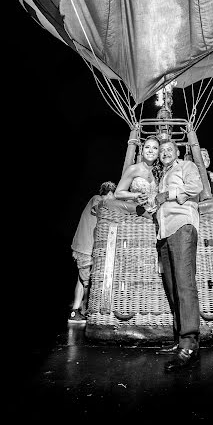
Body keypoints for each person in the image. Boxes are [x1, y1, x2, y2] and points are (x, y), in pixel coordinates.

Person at [154, 139, 203, 372]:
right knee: (173, 286)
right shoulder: (161, 176)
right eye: (161, 151)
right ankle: (179, 340)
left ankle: (190, 343)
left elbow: (197, 187)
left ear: (177, 152)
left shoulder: (186, 167)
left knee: (185, 284)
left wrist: (169, 194)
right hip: (164, 232)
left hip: (182, 225)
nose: (164, 153)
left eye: (168, 150)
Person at [68, 181, 117, 324]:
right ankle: (85, 310)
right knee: (86, 281)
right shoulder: (97, 199)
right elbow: (100, 208)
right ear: (109, 193)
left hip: (83, 247)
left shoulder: (97, 200)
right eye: (115, 195)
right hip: (84, 247)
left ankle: (75, 311)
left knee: (81, 279)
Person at [114, 136, 161, 219]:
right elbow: (118, 193)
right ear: (142, 150)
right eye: (147, 147)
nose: (150, 150)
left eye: (155, 148)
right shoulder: (133, 169)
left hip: (158, 215)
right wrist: (135, 195)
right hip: (137, 215)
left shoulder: (161, 171)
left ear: (158, 153)